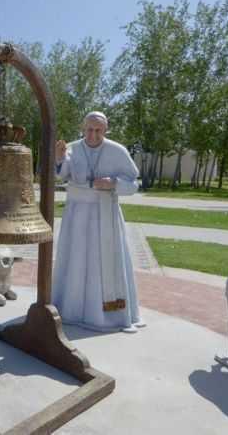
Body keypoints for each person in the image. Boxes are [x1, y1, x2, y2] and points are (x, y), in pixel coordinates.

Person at [52, 111, 145, 333]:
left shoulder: (117, 151)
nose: (93, 135)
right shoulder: (72, 148)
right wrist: (58, 159)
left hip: (106, 216)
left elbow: (134, 183)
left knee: (104, 264)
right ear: (83, 128)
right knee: (76, 262)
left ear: (105, 130)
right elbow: (61, 175)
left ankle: (109, 315)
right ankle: (72, 311)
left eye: (98, 130)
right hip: (77, 216)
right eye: (89, 129)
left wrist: (113, 183)